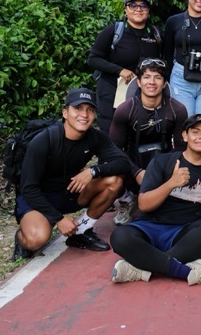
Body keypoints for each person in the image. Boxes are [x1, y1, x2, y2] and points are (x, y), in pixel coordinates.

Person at [108, 114, 201, 285]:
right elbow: (143, 205)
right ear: (185, 136)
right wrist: (171, 184)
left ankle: (139, 268)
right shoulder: (163, 161)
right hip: (149, 227)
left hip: (183, 233)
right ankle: (187, 272)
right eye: (195, 132)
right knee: (120, 237)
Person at [12, 88, 130, 261]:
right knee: (36, 239)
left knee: (115, 181)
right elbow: (28, 188)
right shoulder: (44, 140)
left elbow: (123, 163)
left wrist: (93, 171)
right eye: (78, 108)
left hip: (68, 191)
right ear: (65, 113)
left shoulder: (94, 137)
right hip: (37, 198)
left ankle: (81, 231)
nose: (84, 114)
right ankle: (21, 238)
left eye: (90, 110)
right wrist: (59, 219)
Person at [108, 59, 188, 225]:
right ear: (138, 81)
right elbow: (113, 149)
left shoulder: (177, 109)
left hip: (163, 165)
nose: (151, 82)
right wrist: (136, 172)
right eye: (146, 77)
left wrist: (161, 172)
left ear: (165, 83)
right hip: (132, 166)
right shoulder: (125, 110)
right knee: (109, 165)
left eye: (157, 77)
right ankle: (126, 199)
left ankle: (167, 196)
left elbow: (181, 146)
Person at [88, 0, 162, 132]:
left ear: (148, 10)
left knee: (138, 130)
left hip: (142, 92)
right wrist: (120, 70)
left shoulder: (155, 33)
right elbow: (93, 59)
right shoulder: (114, 31)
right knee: (111, 131)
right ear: (125, 9)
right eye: (133, 5)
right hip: (111, 90)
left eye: (143, 6)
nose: (138, 9)